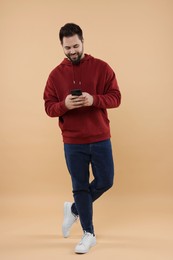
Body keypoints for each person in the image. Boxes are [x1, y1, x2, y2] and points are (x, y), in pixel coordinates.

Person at [43, 23, 121, 254]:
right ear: (62, 46)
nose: (72, 51)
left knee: (106, 180)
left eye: (76, 45)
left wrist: (94, 100)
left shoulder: (102, 67)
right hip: (72, 141)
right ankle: (89, 234)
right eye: (67, 48)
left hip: (100, 137)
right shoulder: (55, 75)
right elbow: (49, 107)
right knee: (79, 186)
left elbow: (116, 97)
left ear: (83, 41)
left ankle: (74, 209)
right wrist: (64, 105)